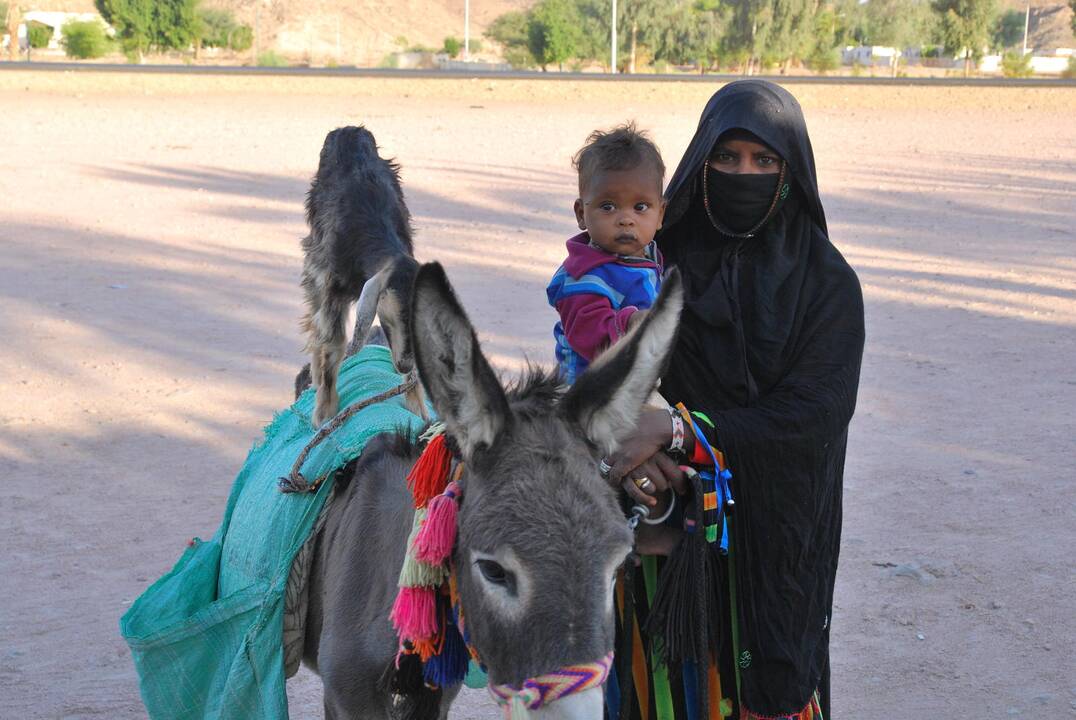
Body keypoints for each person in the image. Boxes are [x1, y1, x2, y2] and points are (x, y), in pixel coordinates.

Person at [602, 81, 865, 720]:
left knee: (768, 691)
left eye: (764, 161)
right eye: (727, 158)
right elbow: (609, 369)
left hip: (778, 536)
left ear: (789, 171)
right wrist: (637, 453)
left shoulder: (827, 282)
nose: (744, 173)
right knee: (659, 690)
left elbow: (816, 415)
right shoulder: (657, 264)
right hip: (667, 525)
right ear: (701, 164)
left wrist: (679, 431)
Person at [546, 123, 667, 384]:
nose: (626, 219)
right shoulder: (583, 277)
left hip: (628, 379)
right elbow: (589, 336)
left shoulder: (647, 256)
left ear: (660, 215)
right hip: (586, 393)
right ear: (581, 214)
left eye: (640, 206)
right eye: (608, 206)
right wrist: (632, 323)